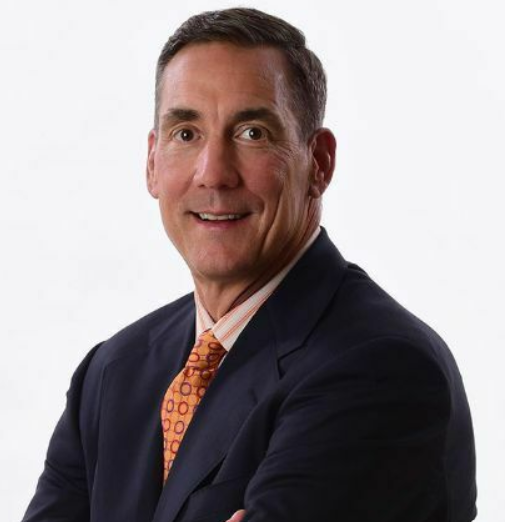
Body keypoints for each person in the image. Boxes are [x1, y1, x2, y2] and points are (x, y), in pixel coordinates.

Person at [22, 7, 477, 522]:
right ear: (152, 161)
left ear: (319, 163)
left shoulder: (380, 367)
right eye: (186, 133)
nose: (213, 173)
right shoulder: (112, 372)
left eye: (252, 133)